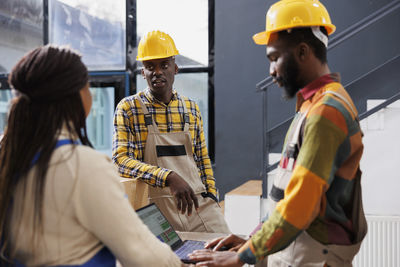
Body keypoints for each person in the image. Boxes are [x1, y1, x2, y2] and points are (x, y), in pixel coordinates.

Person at [189, 0, 367, 266]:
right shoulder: (311, 107)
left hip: (315, 256)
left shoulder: (326, 112)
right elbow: (287, 193)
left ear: (303, 51)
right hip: (300, 247)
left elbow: (300, 205)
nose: (271, 71)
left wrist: (242, 256)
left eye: (274, 58)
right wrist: (251, 240)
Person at [0, 44, 185, 267]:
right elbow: (145, 257)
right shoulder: (81, 166)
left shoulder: (7, 153)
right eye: (87, 86)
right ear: (77, 96)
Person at [112, 30, 230, 234]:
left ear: (175, 68)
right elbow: (120, 161)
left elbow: (202, 158)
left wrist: (210, 193)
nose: (157, 72)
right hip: (155, 211)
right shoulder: (129, 108)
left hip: (197, 204)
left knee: (227, 254)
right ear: (143, 73)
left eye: (163, 65)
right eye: (150, 67)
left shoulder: (191, 108)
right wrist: (169, 177)